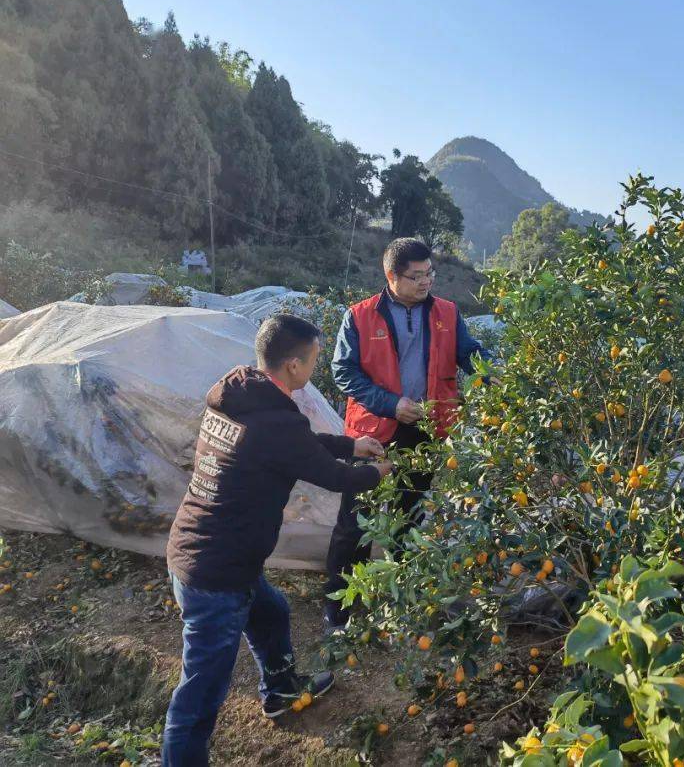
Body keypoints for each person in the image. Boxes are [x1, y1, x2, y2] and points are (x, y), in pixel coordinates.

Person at [163, 314, 392, 766]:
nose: (314, 367)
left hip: (208, 552)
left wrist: (350, 444)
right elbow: (330, 477)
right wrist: (377, 472)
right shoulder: (273, 421)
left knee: (272, 613)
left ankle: (282, 690)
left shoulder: (241, 395)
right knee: (201, 694)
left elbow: (295, 444)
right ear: (293, 365)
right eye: (313, 360)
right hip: (217, 574)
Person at [323, 237, 493, 631]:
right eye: (416, 276)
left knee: (409, 517)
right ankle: (341, 610)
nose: (426, 282)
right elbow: (343, 372)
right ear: (391, 276)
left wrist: (494, 372)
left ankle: (399, 600)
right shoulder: (360, 316)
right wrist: (389, 402)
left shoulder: (448, 313)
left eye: (430, 273)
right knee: (355, 523)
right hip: (373, 434)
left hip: (425, 431)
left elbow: (470, 353)